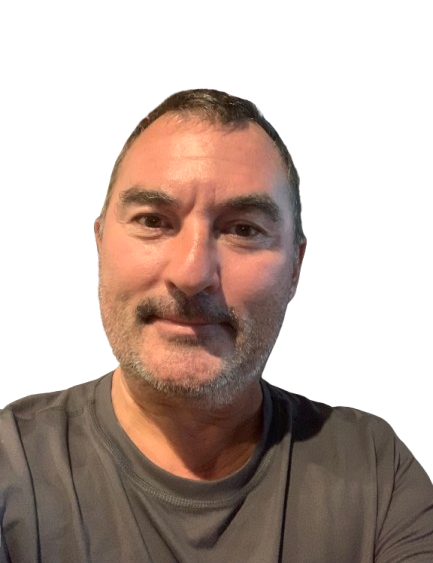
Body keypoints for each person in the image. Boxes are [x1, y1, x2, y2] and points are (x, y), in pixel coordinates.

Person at [0, 89, 432, 563]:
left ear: (295, 268)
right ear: (99, 245)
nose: (191, 274)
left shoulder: (377, 471)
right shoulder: (11, 464)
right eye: (153, 220)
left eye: (243, 229)